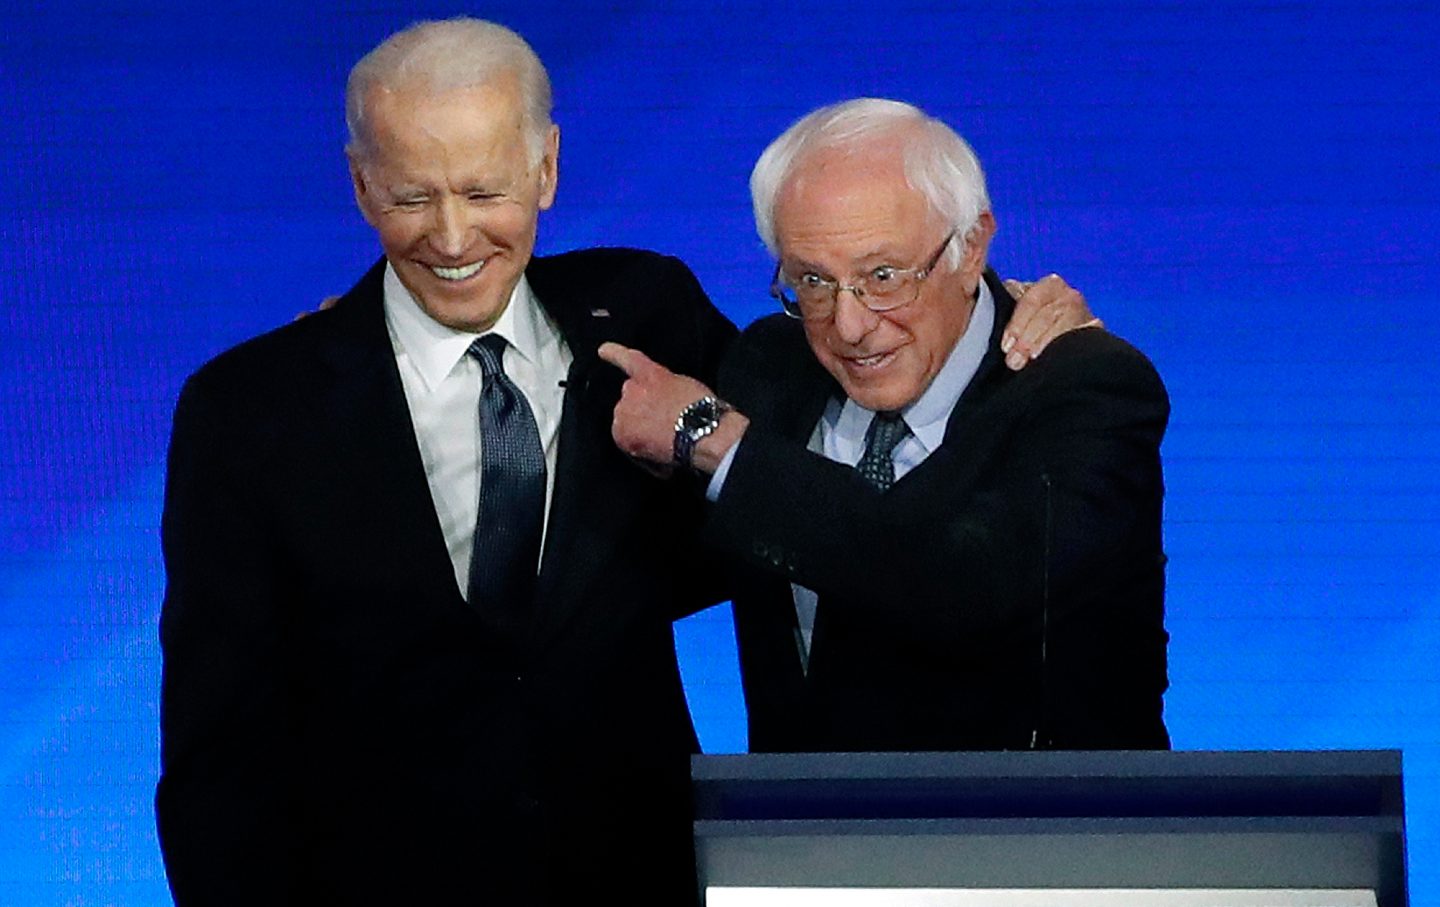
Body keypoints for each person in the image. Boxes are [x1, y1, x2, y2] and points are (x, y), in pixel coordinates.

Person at [158, 17, 1092, 902]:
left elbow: (842, 416)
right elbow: (216, 754)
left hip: (640, 880)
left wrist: (1007, 309)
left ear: (547, 169)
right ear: (362, 185)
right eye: (412, 196)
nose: (450, 237)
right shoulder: (251, 411)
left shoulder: (647, 312)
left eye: (484, 192)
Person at [603, 98, 1170, 755]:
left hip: (1035, 842)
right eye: (812, 280)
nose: (850, 326)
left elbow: (958, 583)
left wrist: (717, 440)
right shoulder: (767, 368)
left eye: (883, 276)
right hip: (798, 843)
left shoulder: (1085, 390)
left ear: (971, 245)